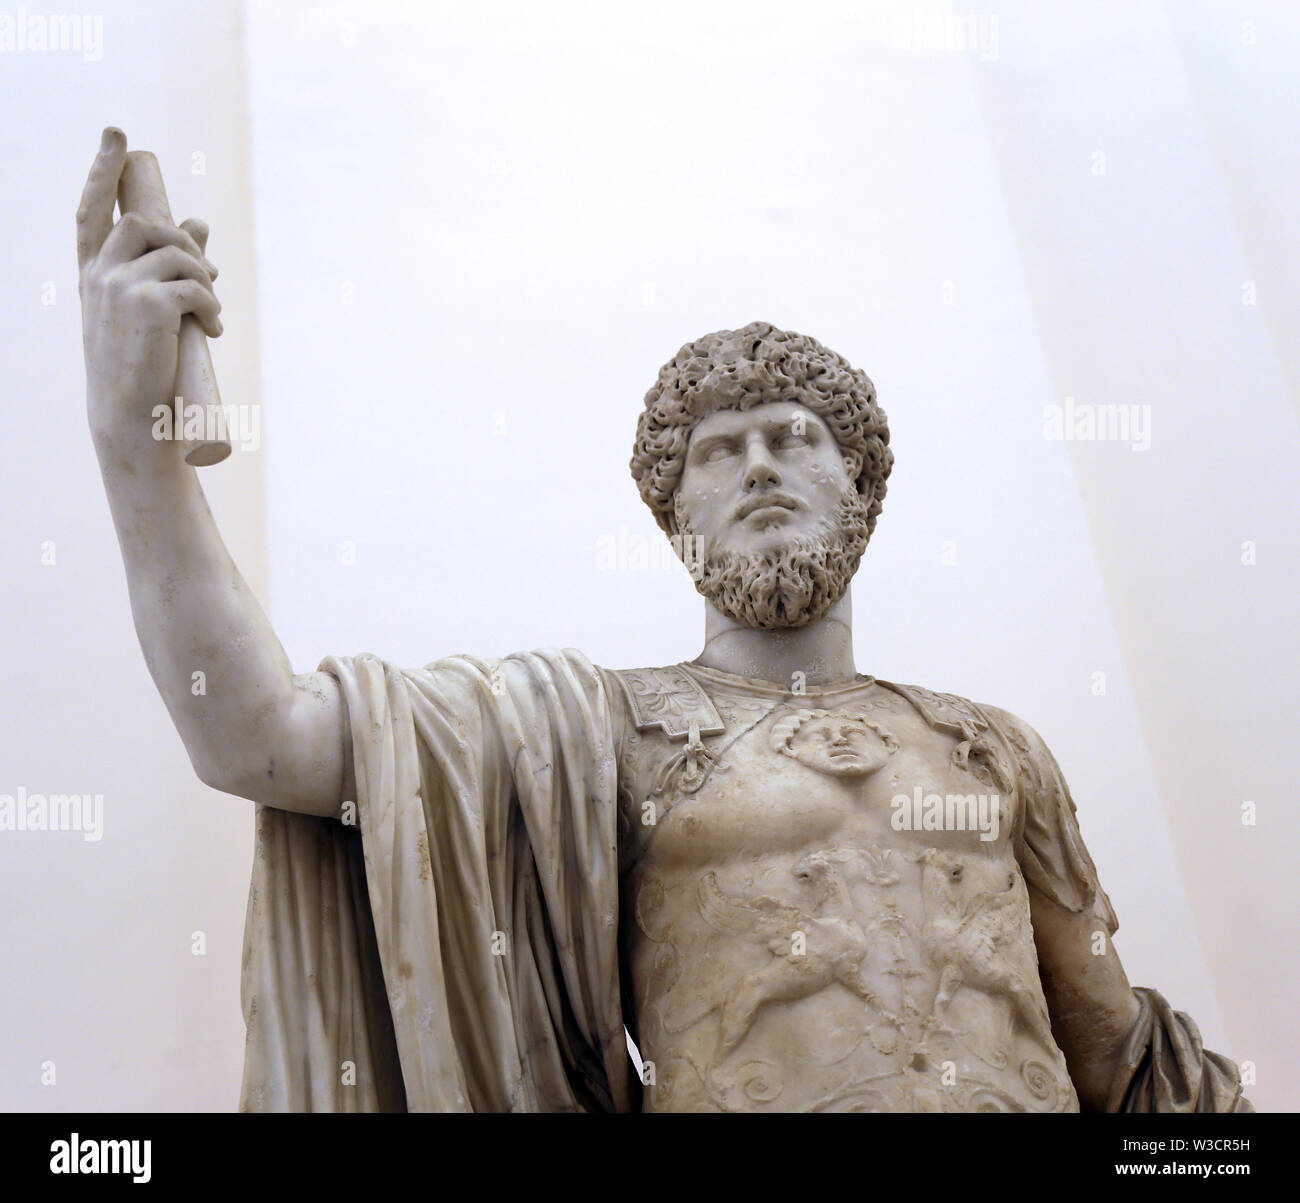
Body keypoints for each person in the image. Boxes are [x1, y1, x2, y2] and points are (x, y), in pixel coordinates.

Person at [78, 128, 1251, 1113]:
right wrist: (137, 445)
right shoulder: (600, 732)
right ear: (669, 509)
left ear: (860, 482)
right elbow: (254, 734)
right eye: (715, 452)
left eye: (793, 437)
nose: (758, 466)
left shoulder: (989, 747)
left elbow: (1114, 1059)